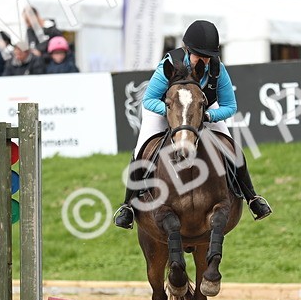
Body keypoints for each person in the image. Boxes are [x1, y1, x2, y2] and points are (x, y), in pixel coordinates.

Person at [112, 19, 272, 229]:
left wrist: (207, 117)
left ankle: (252, 199)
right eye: (199, 56)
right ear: (188, 50)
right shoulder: (168, 65)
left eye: (208, 57)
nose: (203, 61)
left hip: (202, 112)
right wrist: (177, 114)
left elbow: (230, 106)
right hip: (165, 108)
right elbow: (149, 100)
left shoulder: (217, 69)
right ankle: (128, 207)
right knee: (141, 149)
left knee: (233, 148)